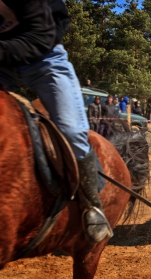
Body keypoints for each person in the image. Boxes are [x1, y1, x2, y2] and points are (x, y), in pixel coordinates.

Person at [0, 0, 112, 243]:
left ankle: (91, 204)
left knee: (72, 131)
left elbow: (41, 37)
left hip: (44, 58)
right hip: (3, 65)